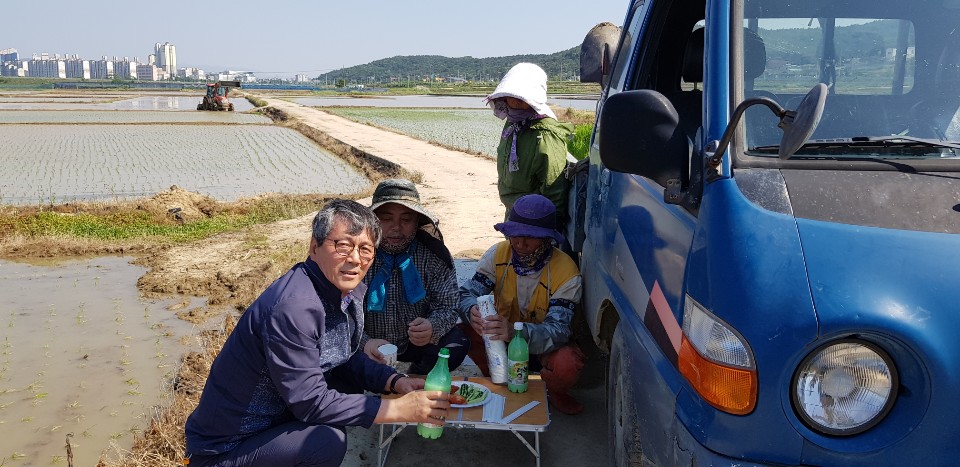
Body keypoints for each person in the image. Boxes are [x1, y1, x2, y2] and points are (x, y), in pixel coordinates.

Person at [184, 200, 449, 466]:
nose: (355, 258)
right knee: (326, 441)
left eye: (365, 249)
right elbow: (310, 402)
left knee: (347, 390)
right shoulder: (295, 307)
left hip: (276, 420)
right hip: (229, 447)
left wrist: (394, 381)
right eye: (343, 245)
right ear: (314, 247)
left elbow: (342, 357)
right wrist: (397, 409)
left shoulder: (345, 292)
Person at [458, 194, 586, 415]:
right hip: (501, 339)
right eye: (515, 235)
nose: (520, 244)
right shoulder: (498, 254)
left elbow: (559, 331)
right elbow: (467, 292)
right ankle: (497, 378)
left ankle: (554, 390)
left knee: (567, 363)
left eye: (530, 237)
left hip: (542, 345)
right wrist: (471, 309)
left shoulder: (566, 271)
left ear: (548, 239)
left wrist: (515, 332)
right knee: (462, 332)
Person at [360, 179, 469, 374]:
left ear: (417, 221)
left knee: (456, 344)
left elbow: (449, 306)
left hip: (415, 343)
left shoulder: (434, 256)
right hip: (367, 343)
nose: (396, 227)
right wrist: (365, 342)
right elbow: (338, 311)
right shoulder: (356, 255)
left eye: (406, 219)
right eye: (386, 218)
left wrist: (431, 327)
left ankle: (417, 372)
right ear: (373, 220)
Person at [486, 62, 575, 225]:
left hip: (533, 221)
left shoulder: (545, 135)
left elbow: (553, 190)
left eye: (520, 98)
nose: (513, 101)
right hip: (514, 213)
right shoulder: (513, 124)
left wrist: (545, 231)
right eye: (510, 96)